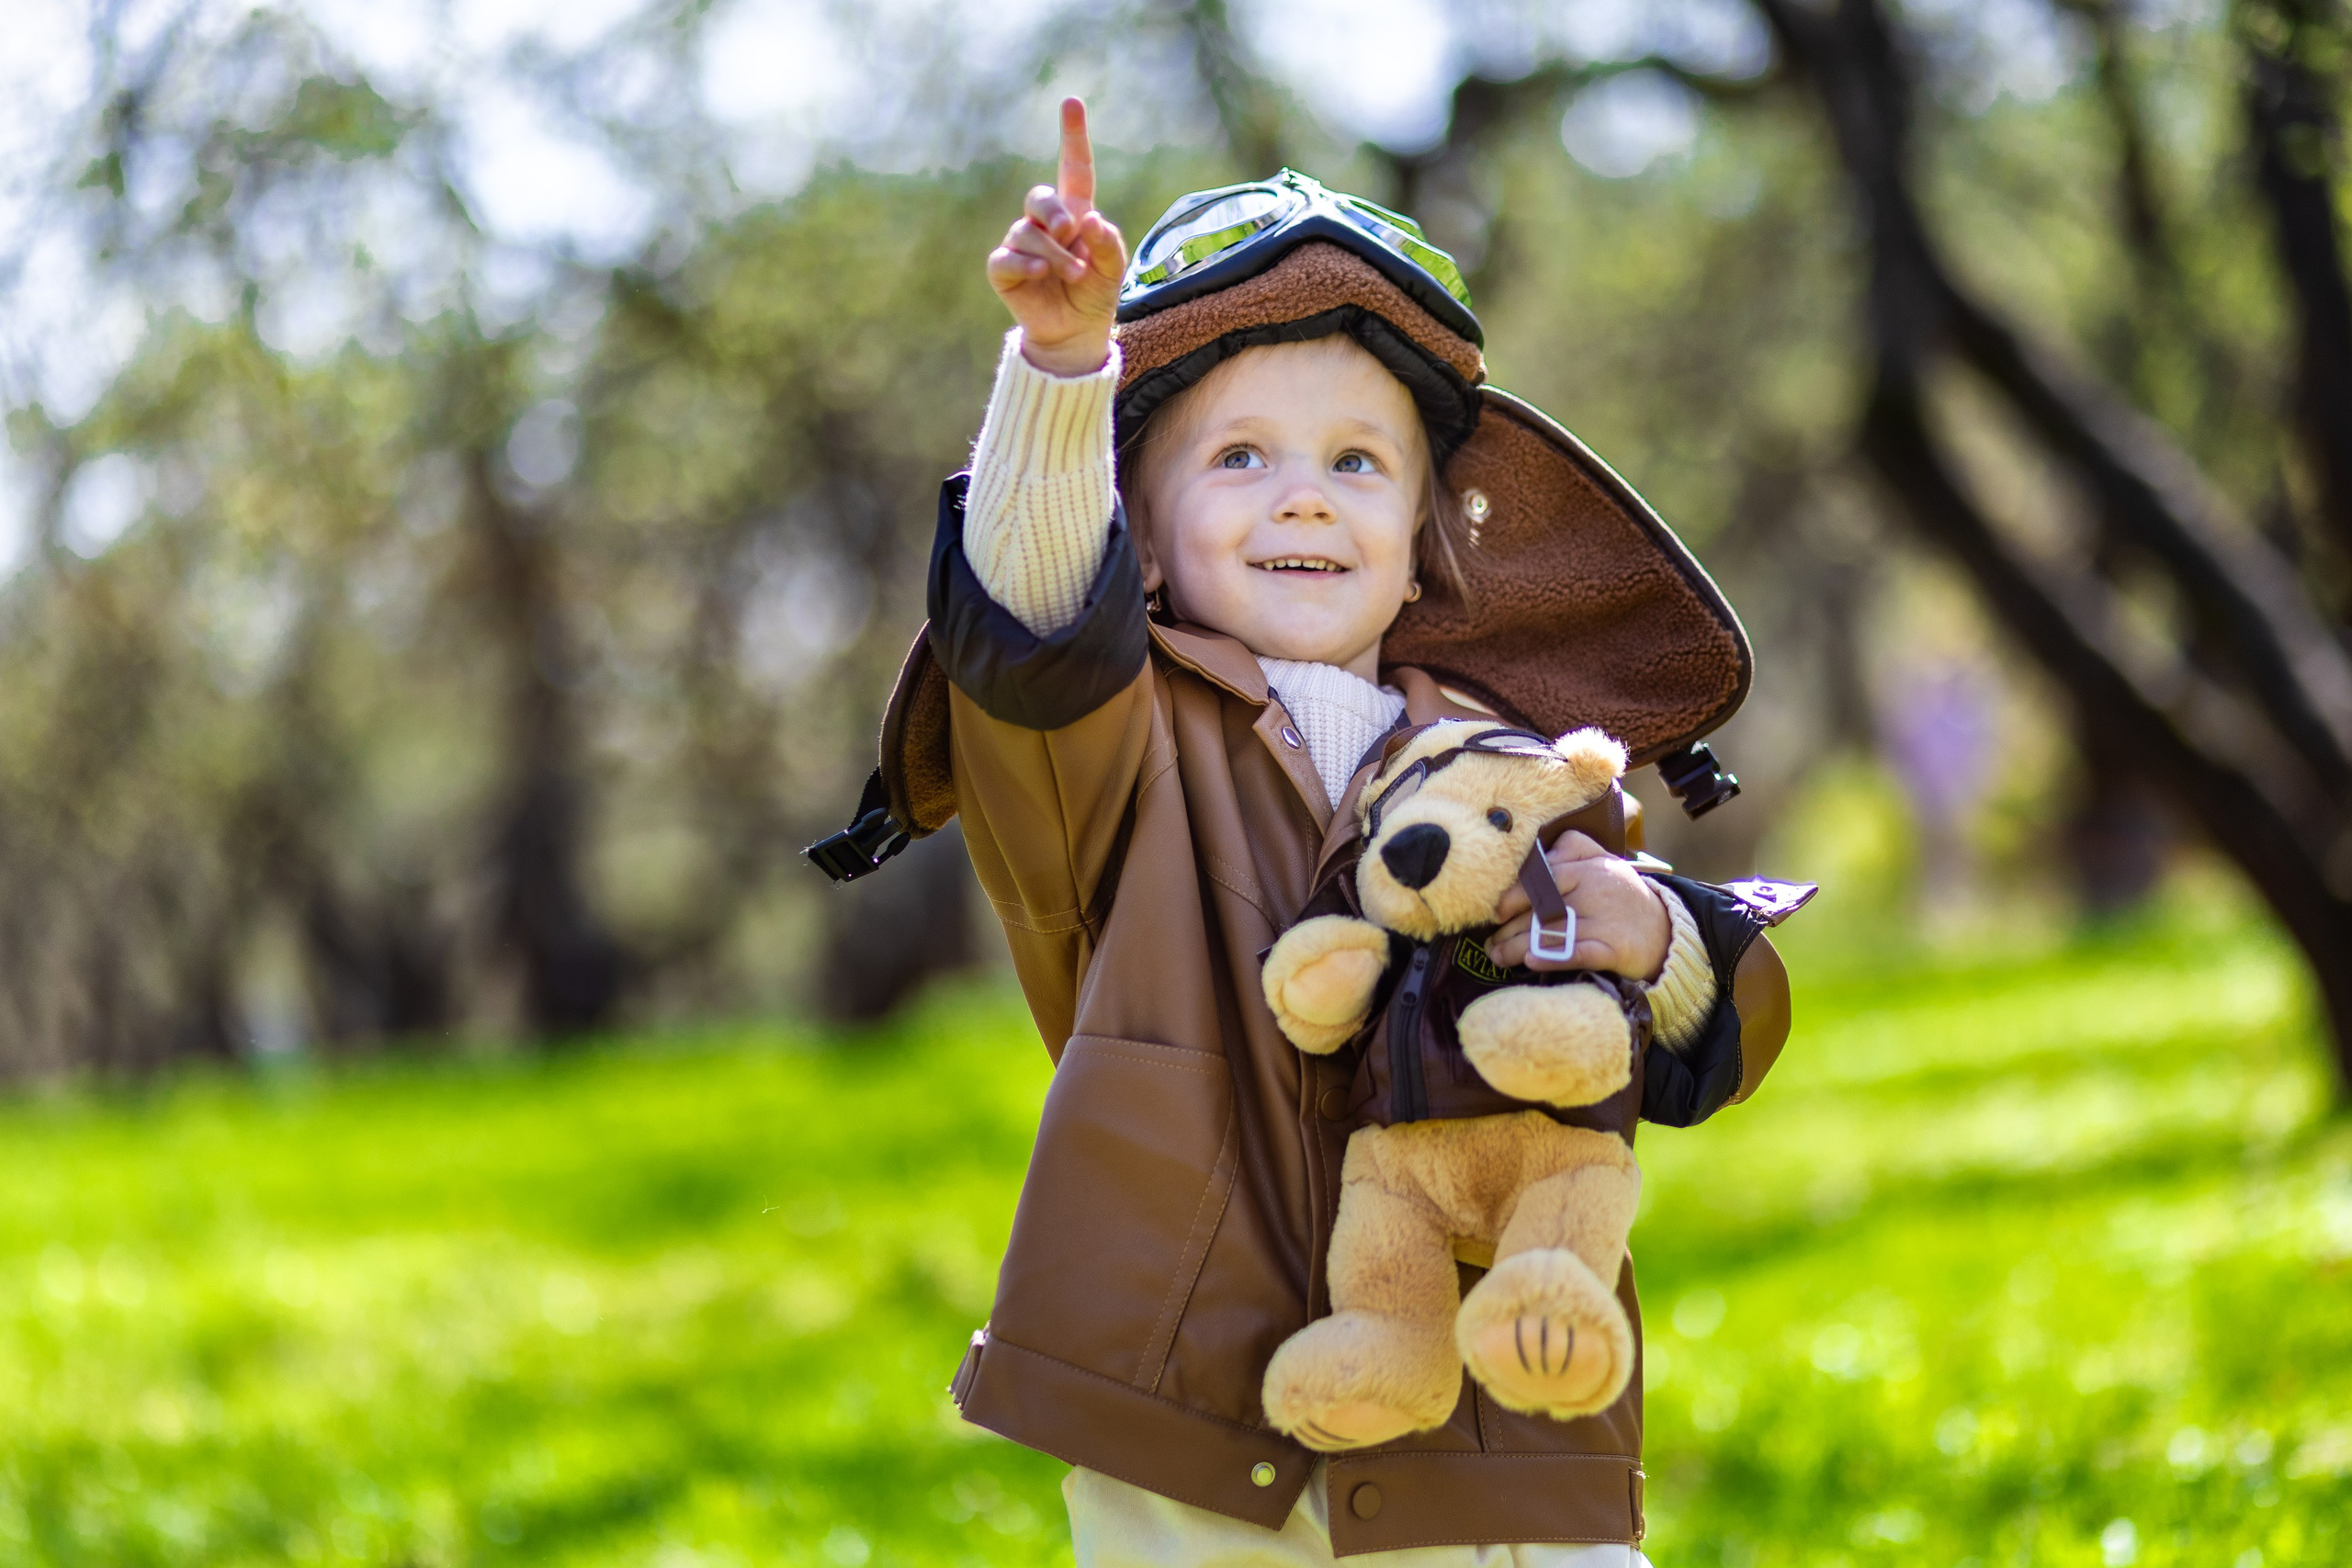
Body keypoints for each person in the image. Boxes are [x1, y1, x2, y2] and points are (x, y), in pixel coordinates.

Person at [825, 98, 1798, 1564]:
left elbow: (1705, 1039)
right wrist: (1064, 368)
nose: (1304, 495)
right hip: (1209, 1442)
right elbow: (1029, 620)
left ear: (1423, 543)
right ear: (1138, 536)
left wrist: (1661, 939)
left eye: (1359, 463)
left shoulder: (1514, 764)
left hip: (1510, 1423)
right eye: (1239, 460)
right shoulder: (1106, 747)